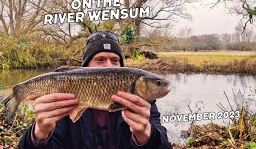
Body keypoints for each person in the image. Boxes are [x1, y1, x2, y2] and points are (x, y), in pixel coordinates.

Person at [18, 31, 172, 148]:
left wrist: (146, 136)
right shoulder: (64, 100)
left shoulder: (143, 103)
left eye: (115, 60)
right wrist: (40, 133)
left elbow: (163, 144)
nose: (108, 66)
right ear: (85, 68)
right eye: (100, 60)